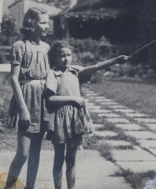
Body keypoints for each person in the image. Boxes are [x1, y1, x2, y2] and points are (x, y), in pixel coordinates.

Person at [45, 40, 129, 189]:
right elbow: (50, 99)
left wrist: (116, 60)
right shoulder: (52, 74)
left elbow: (95, 67)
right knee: (58, 157)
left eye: (69, 55)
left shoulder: (75, 71)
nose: (66, 58)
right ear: (55, 58)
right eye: (62, 56)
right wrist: (73, 99)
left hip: (75, 119)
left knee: (71, 158)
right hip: (60, 119)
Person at [5, 7, 50, 189]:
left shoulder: (46, 47)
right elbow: (14, 78)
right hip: (26, 99)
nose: (47, 26)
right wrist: (23, 108)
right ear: (31, 24)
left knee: (36, 151)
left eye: (48, 22)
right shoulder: (19, 46)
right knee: (23, 152)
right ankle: (9, 186)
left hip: (42, 100)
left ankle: (30, 186)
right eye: (43, 22)